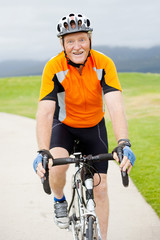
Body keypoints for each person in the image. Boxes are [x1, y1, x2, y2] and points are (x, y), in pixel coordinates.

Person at [33, 13, 136, 240]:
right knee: (56, 166)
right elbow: (46, 111)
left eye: (82, 39)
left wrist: (123, 142)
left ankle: (102, 237)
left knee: (101, 189)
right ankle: (59, 199)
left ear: (90, 40)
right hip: (64, 126)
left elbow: (115, 106)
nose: (77, 46)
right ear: (62, 44)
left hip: (93, 127)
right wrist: (42, 150)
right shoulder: (54, 67)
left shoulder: (104, 63)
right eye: (70, 41)